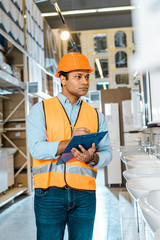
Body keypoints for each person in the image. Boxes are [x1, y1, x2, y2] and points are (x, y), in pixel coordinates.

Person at [26, 52, 112, 240]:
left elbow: (108, 153)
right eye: (78, 76)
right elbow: (36, 148)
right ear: (63, 79)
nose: (85, 82)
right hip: (49, 195)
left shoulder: (96, 115)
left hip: (85, 196)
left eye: (87, 77)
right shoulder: (40, 110)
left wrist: (93, 158)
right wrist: (69, 143)